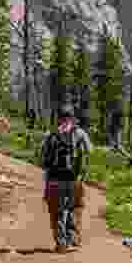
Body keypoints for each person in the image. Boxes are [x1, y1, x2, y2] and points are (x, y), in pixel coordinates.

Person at [40, 102, 92, 253]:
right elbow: (89, 152)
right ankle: (72, 239)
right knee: (74, 208)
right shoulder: (80, 133)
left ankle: (61, 243)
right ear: (73, 117)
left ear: (59, 118)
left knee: (56, 212)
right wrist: (83, 174)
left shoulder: (50, 134)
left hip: (54, 179)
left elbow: (43, 158)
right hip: (73, 179)